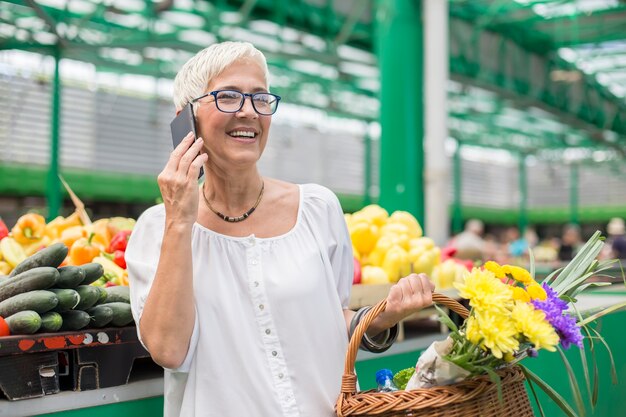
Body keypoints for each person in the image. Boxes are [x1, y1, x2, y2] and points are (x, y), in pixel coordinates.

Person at [126, 41, 434, 417]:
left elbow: (327, 317)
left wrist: (378, 319)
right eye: (228, 97)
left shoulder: (318, 210)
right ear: (185, 119)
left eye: (260, 98)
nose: (248, 112)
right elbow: (169, 350)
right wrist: (179, 220)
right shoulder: (157, 229)